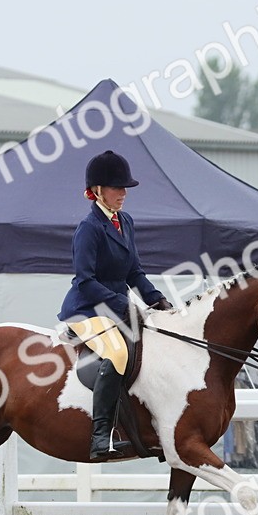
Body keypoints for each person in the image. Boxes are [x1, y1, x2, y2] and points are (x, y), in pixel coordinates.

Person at [58, 150, 172, 459]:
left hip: (116, 307)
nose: (123, 194)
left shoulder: (126, 222)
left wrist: (157, 299)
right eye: (116, 188)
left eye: (125, 189)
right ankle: (100, 436)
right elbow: (85, 279)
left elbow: (134, 271)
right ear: (97, 191)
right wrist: (122, 303)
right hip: (86, 309)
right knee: (118, 352)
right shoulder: (89, 228)